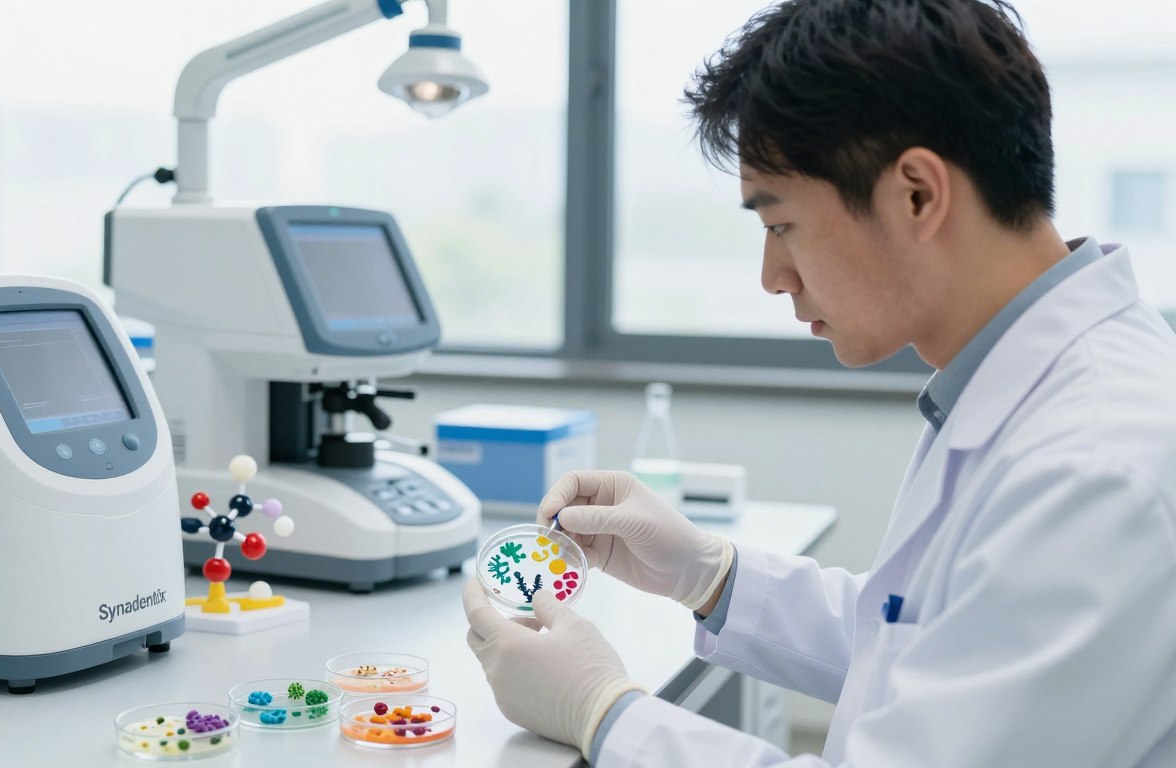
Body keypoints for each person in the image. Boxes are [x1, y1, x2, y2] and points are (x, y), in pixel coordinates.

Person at [462, 0, 1176, 765]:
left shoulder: (1094, 468)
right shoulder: (1016, 383)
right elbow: (918, 642)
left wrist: (605, 713)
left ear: (917, 195)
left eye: (779, 225)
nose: (772, 278)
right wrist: (708, 573)